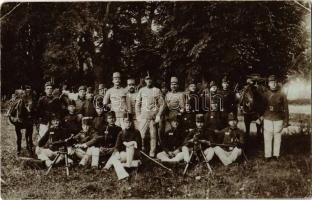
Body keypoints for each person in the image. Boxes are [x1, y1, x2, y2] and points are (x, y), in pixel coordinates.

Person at [135, 72, 165, 157]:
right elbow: (137, 104)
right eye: (147, 79)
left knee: (153, 136)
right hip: (143, 117)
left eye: (150, 79)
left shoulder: (157, 90)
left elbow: (162, 104)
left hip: (153, 118)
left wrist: (159, 115)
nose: (149, 80)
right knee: (142, 136)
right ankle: (141, 152)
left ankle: (152, 154)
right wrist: (138, 115)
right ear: (144, 80)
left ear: (153, 80)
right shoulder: (141, 90)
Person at [261, 75, 289, 161]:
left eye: (275, 82)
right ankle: (267, 155)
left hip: (278, 118)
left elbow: (286, 108)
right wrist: (261, 116)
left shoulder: (282, 94)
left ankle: (276, 155)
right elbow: (261, 107)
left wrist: (286, 120)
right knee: (267, 136)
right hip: (268, 118)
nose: (274, 84)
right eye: (272, 82)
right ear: (268, 84)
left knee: (277, 137)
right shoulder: (265, 95)